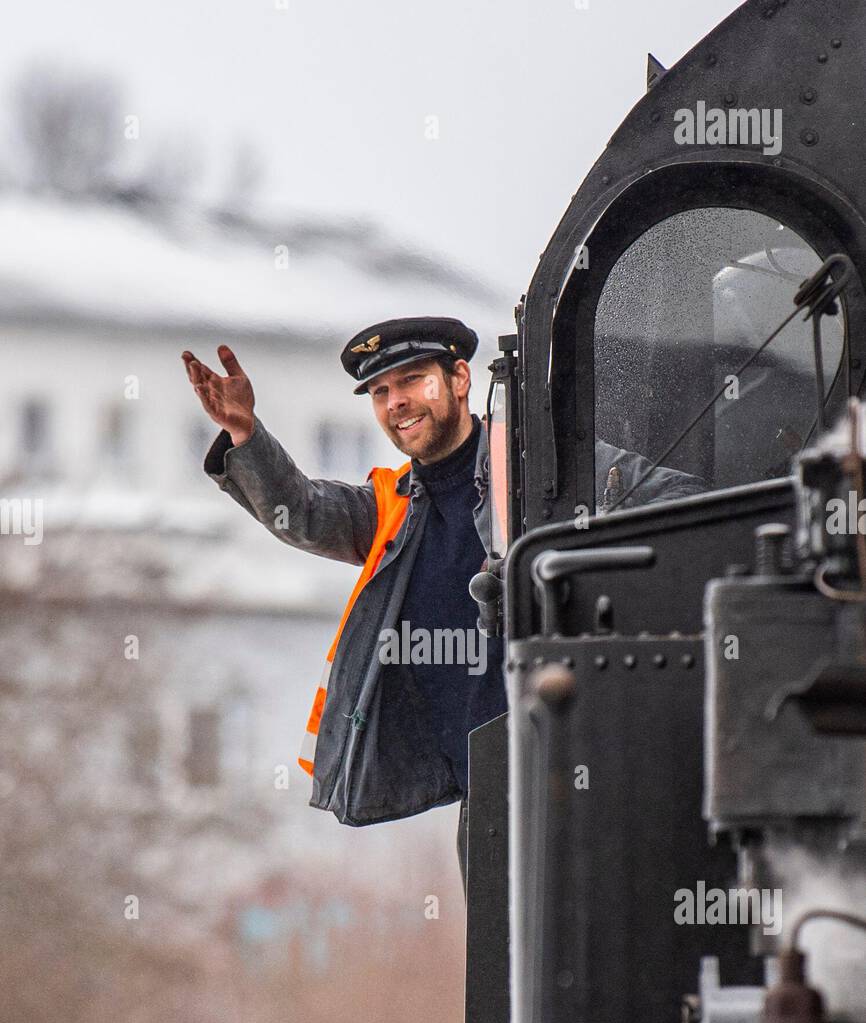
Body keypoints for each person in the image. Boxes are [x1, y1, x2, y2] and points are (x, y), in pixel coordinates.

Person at [182, 317, 702, 886]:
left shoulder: (551, 470)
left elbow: (688, 509)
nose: (396, 402)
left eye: (410, 381)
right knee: (503, 967)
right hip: (486, 792)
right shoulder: (394, 507)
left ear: (459, 379)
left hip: (589, 774)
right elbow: (302, 512)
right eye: (380, 392)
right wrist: (245, 435)